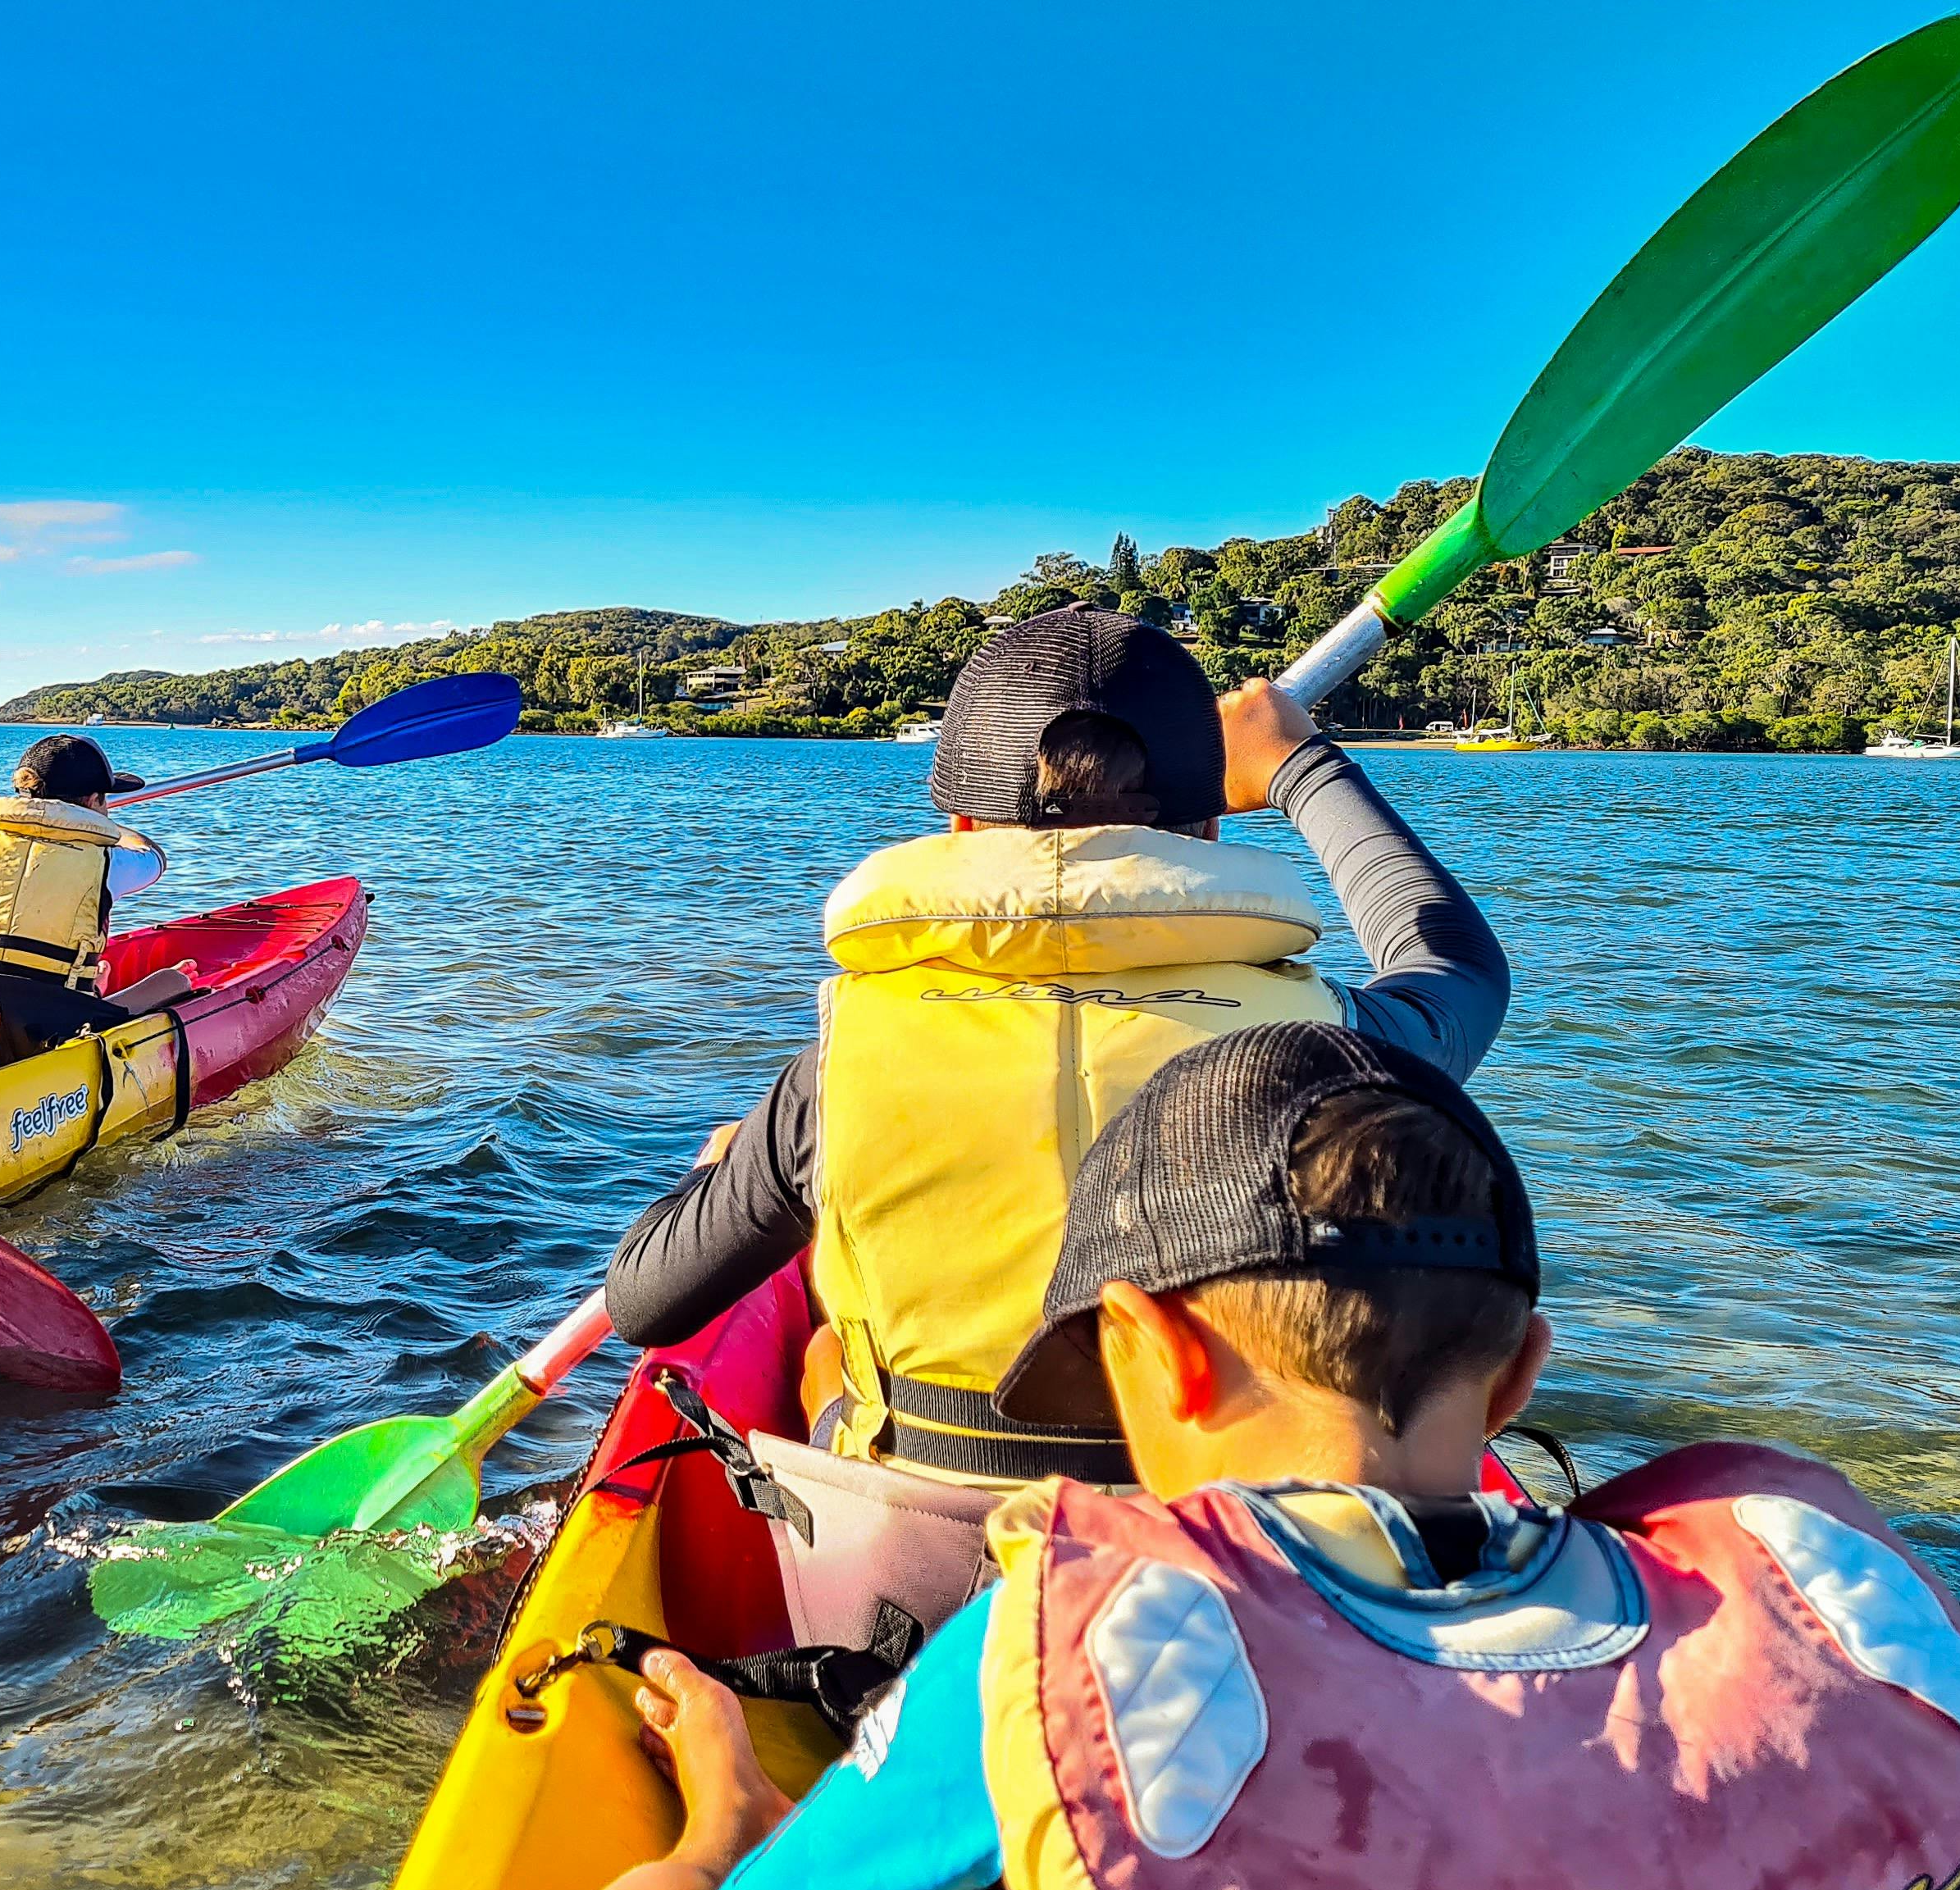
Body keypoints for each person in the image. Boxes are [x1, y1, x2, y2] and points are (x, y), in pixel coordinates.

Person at [577, 1023, 1960, 1890]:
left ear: (1153, 1348)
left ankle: (730, 1817)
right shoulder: (1797, 1641)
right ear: (1515, 1377)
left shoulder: (1054, 1641)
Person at [607, 603, 1508, 1627]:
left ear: (959, 834)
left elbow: (646, 1304)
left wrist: (729, 1166)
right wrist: (1302, 765)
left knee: (819, 1338)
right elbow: (1456, 968)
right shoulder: (1332, 1042)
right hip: (1223, 1590)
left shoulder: (839, 1064)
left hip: (910, 1601)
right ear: (1208, 832)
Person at [0, 734, 193, 1068]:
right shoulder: (106, 861)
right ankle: (97, 996)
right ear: (93, 801)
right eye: (104, 802)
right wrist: (107, 826)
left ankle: (93, 989)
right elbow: (153, 858)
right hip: (51, 1023)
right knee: (175, 980)